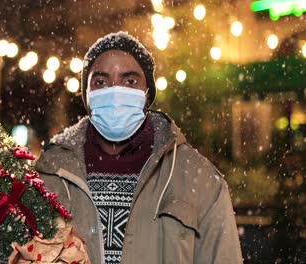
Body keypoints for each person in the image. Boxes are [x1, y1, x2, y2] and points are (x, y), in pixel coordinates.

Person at [35, 31, 243, 264]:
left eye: (130, 81)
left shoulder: (199, 179)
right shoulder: (49, 175)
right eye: (101, 82)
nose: (115, 92)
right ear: (86, 95)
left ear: (147, 94)